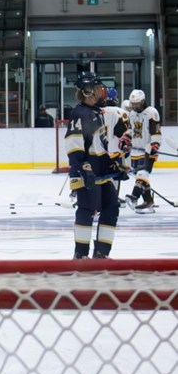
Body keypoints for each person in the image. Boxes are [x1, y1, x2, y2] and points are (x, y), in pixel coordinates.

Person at [65, 71, 129, 259]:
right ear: (88, 92)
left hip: (100, 171)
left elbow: (100, 145)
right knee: (86, 209)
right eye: (98, 87)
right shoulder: (80, 114)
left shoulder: (97, 112)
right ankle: (81, 255)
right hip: (86, 171)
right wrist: (83, 168)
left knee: (111, 207)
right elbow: (74, 144)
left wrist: (114, 165)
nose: (102, 90)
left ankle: (101, 254)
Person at [123, 89, 162, 213]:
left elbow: (156, 131)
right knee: (141, 177)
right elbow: (130, 130)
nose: (135, 107)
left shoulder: (151, 112)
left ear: (143, 101)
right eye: (133, 104)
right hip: (135, 151)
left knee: (142, 174)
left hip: (148, 149)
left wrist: (155, 144)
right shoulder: (132, 114)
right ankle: (148, 202)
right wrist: (126, 139)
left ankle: (134, 197)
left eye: (137, 104)